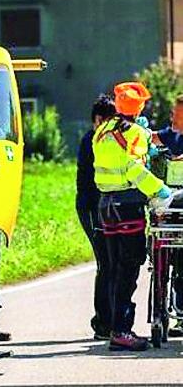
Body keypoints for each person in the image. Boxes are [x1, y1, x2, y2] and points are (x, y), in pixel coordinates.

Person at [93, 81, 174, 351]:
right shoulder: (135, 133)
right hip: (127, 206)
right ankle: (122, 330)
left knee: (115, 269)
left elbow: (113, 162)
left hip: (106, 205)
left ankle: (116, 327)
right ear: (140, 107)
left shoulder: (102, 130)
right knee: (129, 269)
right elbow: (133, 169)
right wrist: (161, 191)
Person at [76, 93, 116, 340]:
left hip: (106, 208)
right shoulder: (91, 140)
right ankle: (102, 322)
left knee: (112, 264)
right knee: (105, 263)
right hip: (91, 208)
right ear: (99, 119)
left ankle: (110, 319)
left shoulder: (104, 140)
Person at [150, 94, 183, 336]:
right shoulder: (171, 135)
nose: (173, 116)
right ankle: (171, 311)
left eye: (178, 112)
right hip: (172, 208)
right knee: (168, 258)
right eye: (174, 111)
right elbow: (152, 138)